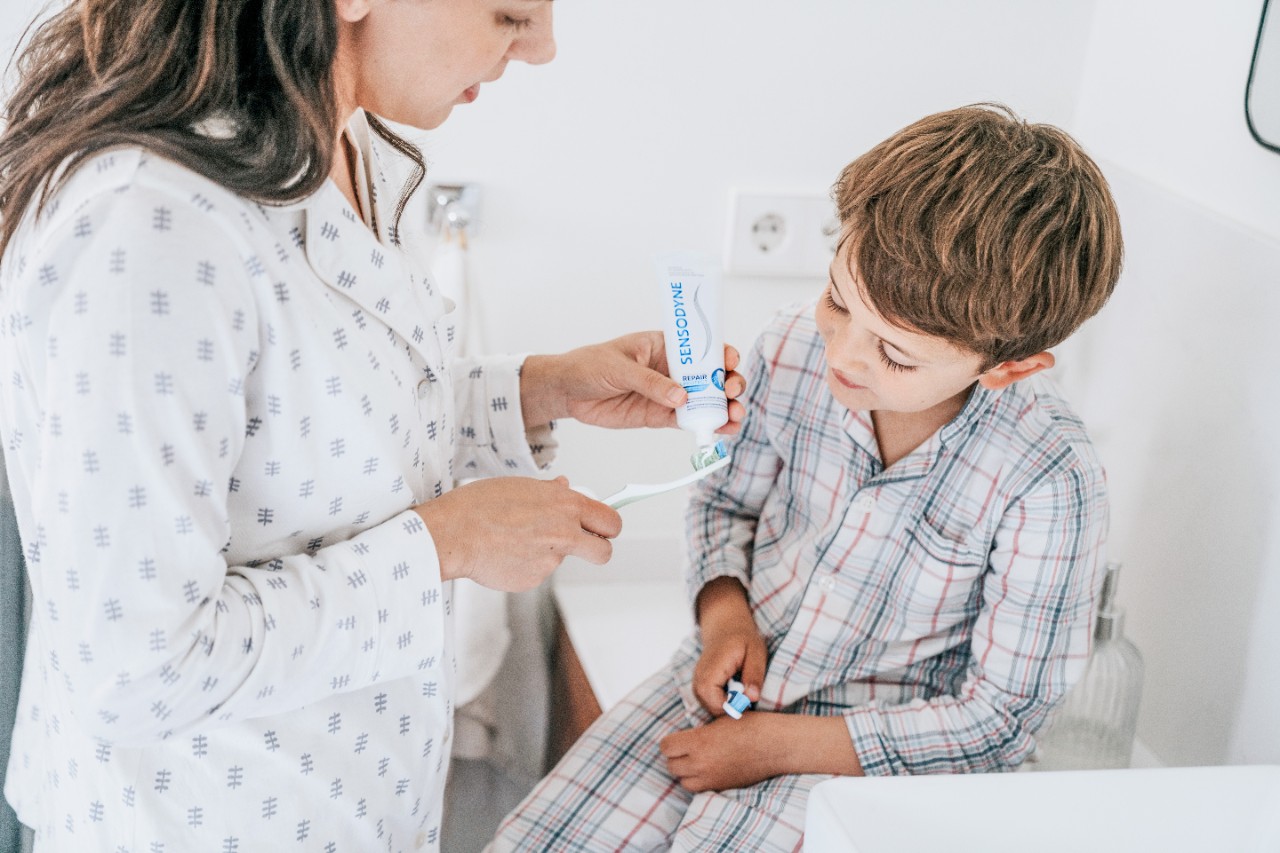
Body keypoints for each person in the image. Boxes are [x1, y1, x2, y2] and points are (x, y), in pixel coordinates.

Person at [0, 1, 746, 850]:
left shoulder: (334, 146)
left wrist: (541, 390)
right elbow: (137, 665)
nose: (541, 49)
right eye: (511, 13)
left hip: (354, 804)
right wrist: (444, 546)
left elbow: (309, 425)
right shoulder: (147, 225)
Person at [491, 103, 1124, 852]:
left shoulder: (1049, 477)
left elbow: (1001, 718)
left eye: (895, 354)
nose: (845, 356)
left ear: (1009, 365)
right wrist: (726, 613)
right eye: (837, 300)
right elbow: (727, 501)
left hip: (878, 767)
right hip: (727, 692)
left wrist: (778, 746)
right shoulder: (792, 347)